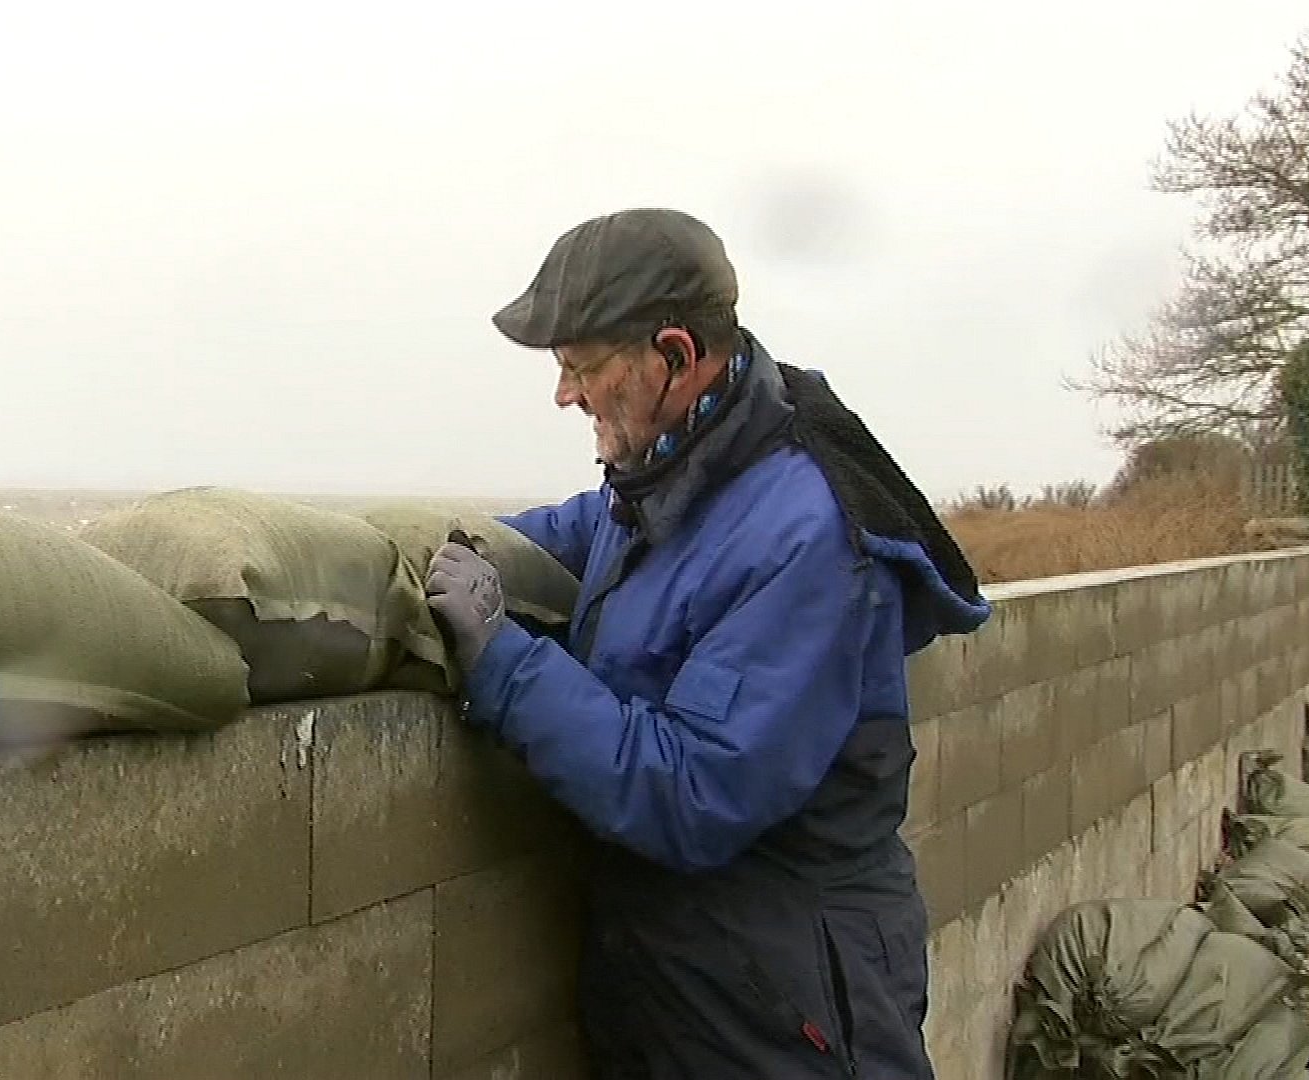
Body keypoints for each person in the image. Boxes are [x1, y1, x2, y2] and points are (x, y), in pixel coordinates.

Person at [423, 207, 990, 1079]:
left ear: (678, 356)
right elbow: (553, 540)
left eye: (582, 367)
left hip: (789, 1006)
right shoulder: (667, 474)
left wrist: (500, 657)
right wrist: (416, 560)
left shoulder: (808, 536)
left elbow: (697, 791)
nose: (565, 395)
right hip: (676, 980)